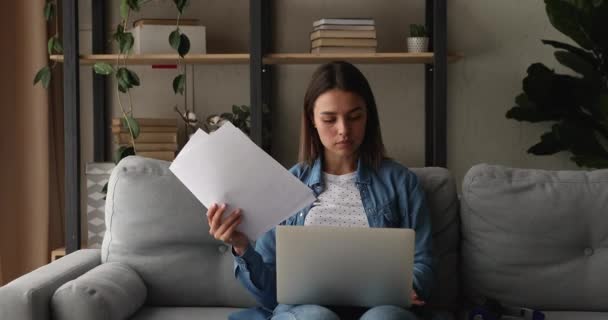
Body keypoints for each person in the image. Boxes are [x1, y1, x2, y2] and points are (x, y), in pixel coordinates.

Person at [206, 61, 434, 320]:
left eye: (354, 116)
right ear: (312, 120)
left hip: (379, 310)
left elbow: (423, 263)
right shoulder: (289, 184)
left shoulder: (401, 183)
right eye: (329, 119)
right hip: (306, 312)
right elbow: (271, 294)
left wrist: (409, 286)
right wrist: (241, 247)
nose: (343, 130)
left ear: (368, 116)